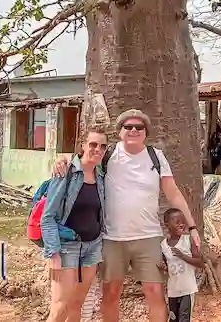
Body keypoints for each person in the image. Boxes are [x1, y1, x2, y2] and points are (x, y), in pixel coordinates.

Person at [52, 109, 201, 322]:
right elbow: (84, 160)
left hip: (148, 237)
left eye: (139, 127)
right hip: (113, 238)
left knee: (155, 293)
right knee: (111, 293)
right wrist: (63, 159)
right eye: (128, 126)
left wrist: (193, 227)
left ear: (146, 132)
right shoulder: (109, 154)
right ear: (120, 131)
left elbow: (173, 193)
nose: (133, 130)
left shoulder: (156, 156)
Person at [41, 126, 108, 322]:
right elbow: (48, 217)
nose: (98, 149)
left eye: (103, 146)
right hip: (66, 248)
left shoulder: (101, 177)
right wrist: (53, 255)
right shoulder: (66, 173)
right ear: (83, 146)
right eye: (93, 144)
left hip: (92, 247)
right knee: (60, 306)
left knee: (76, 304)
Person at [159, 208, 203, 322]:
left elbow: (200, 263)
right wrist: (164, 268)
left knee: (184, 319)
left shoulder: (188, 240)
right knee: (173, 319)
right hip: (173, 291)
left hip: (187, 290)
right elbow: (169, 267)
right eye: (177, 222)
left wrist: (183, 256)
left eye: (183, 221)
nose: (182, 224)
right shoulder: (163, 245)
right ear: (167, 224)